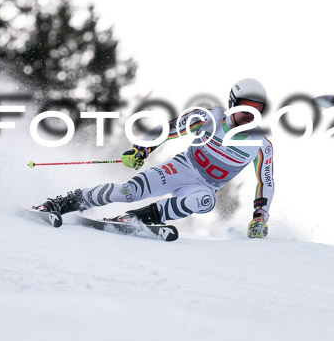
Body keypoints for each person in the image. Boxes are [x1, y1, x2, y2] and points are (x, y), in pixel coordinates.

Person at [34, 78, 275, 238]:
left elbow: (266, 183)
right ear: (233, 103)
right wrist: (142, 149)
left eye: (257, 108)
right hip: (182, 168)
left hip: (205, 187)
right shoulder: (209, 117)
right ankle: (60, 204)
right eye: (245, 107)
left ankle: (135, 219)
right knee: (129, 191)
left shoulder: (261, 144)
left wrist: (259, 218)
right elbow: (168, 129)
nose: (249, 114)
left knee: (204, 201)